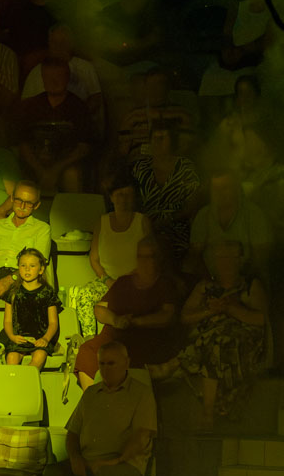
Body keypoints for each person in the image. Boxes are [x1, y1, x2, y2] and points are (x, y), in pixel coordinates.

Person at [34, 340, 156, 476]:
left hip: (126, 463)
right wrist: (75, 458)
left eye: (112, 363)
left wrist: (112, 463)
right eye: (102, 364)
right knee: (53, 473)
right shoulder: (90, 394)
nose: (106, 369)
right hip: (88, 460)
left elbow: (141, 438)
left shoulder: (141, 394)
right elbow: (73, 433)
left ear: (126, 363)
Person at [157, 240, 269, 429]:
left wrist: (230, 308)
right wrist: (210, 311)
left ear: (240, 260)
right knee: (215, 343)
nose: (226, 263)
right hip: (212, 344)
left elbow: (261, 319)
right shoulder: (205, 287)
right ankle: (208, 412)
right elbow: (185, 316)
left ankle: (178, 364)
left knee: (218, 339)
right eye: (221, 258)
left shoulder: (250, 286)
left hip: (241, 344)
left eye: (230, 258)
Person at [76, 238, 182, 384]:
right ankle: (92, 396)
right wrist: (115, 320)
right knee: (87, 351)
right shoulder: (124, 282)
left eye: (149, 257)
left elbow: (168, 315)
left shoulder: (165, 284)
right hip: (115, 335)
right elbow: (100, 309)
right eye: (140, 256)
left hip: (144, 338)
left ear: (158, 259)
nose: (144, 261)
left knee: (128, 357)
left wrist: (137, 322)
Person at [68, 175, 149, 339]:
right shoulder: (103, 222)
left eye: (128, 195)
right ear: (112, 197)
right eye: (120, 194)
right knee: (84, 295)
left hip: (134, 280)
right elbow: (94, 259)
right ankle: (90, 340)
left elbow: (150, 255)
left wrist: (128, 280)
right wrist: (108, 280)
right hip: (107, 281)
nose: (124, 199)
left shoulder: (142, 221)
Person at [17, 57, 95, 195]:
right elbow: (23, 143)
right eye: (48, 77)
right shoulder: (31, 106)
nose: (53, 82)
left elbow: (84, 147)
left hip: (66, 163)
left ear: (67, 78)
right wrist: (39, 170)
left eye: (58, 77)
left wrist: (56, 170)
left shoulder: (78, 107)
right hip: (35, 162)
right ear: (42, 78)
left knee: (72, 174)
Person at [130, 124, 202, 264]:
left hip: (177, 229)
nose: (158, 142)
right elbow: (133, 200)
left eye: (162, 138)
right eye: (155, 138)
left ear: (172, 141)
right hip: (145, 229)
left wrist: (169, 219)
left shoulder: (185, 167)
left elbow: (193, 203)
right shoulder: (141, 168)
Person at [189, 170, 273, 279]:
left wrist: (241, 281)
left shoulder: (254, 214)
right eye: (215, 189)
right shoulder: (203, 215)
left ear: (236, 188)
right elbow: (194, 255)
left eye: (225, 188)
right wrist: (209, 280)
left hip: (247, 280)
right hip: (211, 281)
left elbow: (260, 258)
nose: (219, 193)